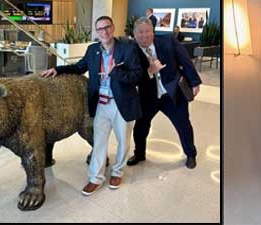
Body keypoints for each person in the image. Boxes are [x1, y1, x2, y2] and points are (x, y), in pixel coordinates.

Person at [40, 16, 142, 195]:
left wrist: (116, 72)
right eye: (100, 29)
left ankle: (117, 172)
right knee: (99, 142)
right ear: (96, 32)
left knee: (123, 143)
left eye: (107, 27)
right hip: (101, 104)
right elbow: (79, 67)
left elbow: (137, 75)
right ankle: (96, 178)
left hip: (122, 104)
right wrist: (58, 69)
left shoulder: (127, 49)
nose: (104, 32)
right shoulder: (93, 49)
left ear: (113, 27)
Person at [127, 17, 201, 169]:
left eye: (148, 32)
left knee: (183, 125)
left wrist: (194, 81)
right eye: (140, 32)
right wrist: (149, 71)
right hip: (148, 96)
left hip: (173, 93)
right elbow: (132, 75)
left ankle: (191, 154)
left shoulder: (168, 41)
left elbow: (185, 60)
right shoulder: (131, 51)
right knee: (140, 127)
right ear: (134, 34)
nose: (144, 35)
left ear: (153, 32)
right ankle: (139, 154)